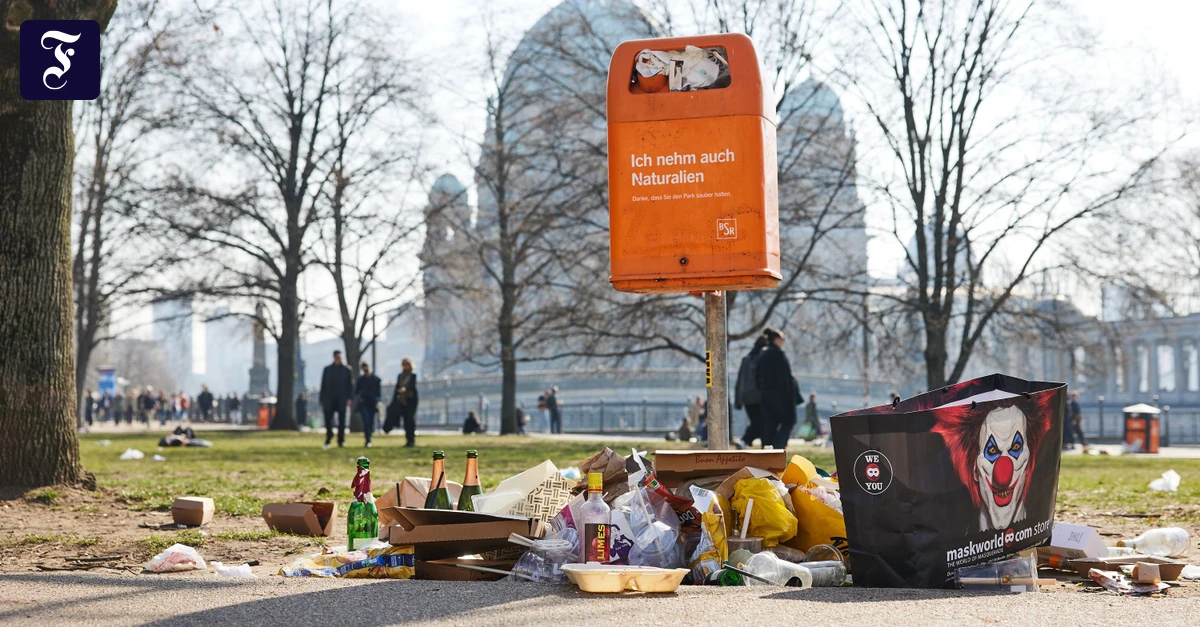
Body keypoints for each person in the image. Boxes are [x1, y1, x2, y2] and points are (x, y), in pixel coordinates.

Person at [755, 327, 802, 450]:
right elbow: (785, 378)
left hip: (766, 395)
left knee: (770, 423)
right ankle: (779, 447)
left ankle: (767, 448)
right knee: (789, 421)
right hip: (782, 396)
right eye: (782, 338)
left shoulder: (763, 354)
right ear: (776, 339)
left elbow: (757, 376)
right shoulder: (779, 354)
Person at [734, 335, 768, 448]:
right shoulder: (762, 358)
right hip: (759, 396)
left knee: (756, 422)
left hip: (746, 397)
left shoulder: (746, 359)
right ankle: (745, 441)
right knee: (762, 422)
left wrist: (738, 400)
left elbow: (740, 380)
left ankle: (746, 442)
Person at [319, 350, 353, 449]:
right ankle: (329, 435)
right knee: (328, 419)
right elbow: (323, 385)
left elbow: (350, 385)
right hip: (329, 398)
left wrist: (350, 398)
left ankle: (341, 439)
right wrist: (322, 398)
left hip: (341, 398)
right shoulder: (327, 370)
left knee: (342, 420)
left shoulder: (347, 370)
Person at [392, 358, 420, 447]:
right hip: (403, 400)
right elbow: (396, 388)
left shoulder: (413, 375)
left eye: (407, 364)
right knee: (405, 420)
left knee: (410, 419)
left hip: (411, 400)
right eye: (404, 364)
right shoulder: (400, 376)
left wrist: (405, 389)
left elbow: (412, 385)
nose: (405, 366)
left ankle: (412, 439)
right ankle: (408, 439)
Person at [356, 362, 381, 447]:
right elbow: (357, 391)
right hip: (364, 403)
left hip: (372, 403)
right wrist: (359, 398)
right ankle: (367, 439)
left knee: (371, 422)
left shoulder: (376, 379)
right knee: (366, 421)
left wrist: (377, 401)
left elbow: (378, 393)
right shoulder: (361, 380)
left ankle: (369, 437)